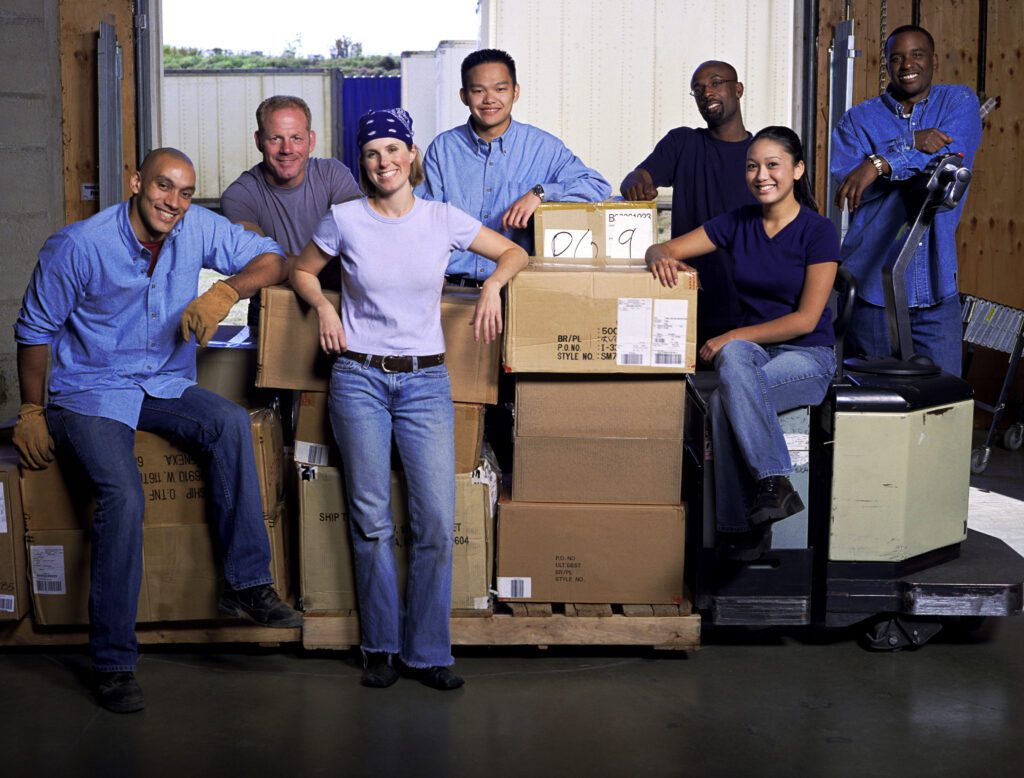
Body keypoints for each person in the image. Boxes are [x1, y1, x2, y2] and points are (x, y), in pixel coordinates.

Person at [13, 148, 301, 714]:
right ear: (137, 182)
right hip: (90, 391)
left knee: (226, 423)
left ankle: (246, 583)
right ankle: (114, 662)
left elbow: (276, 259)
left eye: (187, 192)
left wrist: (226, 291)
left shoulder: (195, 227)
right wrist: (30, 409)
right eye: (164, 187)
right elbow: (35, 329)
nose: (174, 201)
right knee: (123, 496)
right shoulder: (80, 245)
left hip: (161, 382)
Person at [290, 109, 527, 689]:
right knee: (371, 519)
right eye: (372, 153)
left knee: (435, 523)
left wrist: (495, 283)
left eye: (393, 150)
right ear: (363, 164)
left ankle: (427, 651)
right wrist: (324, 305)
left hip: (426, 383)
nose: (384, 161)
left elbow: (515, 254)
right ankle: (379, 644)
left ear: (412, 154)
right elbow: (302, 271)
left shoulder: (442, 218)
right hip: (359, 379)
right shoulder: (344, 219)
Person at [647, 127, 840, 561]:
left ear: (797, 169)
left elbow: (806, 319)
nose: (761, 175)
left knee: (722, 399)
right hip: (752, 356)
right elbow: (662, 247)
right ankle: (773, 491)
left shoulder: (818, 231)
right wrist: (659, 256)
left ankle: (741, 529)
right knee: (734, 359)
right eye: (753, 166)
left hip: (807, 356)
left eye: (773, 165)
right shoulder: (737, 222)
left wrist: (733, 334)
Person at [831, 24, 981, 376]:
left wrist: (880, 162)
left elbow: (947, 164)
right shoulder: (856, 121)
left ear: (933, 60)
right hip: (871, 292)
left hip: (936, 288)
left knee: (943, 406)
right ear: (886, 64)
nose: (906, 64)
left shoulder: (958, 102)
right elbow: (855, 188)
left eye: (916, 55)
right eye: (896, 58)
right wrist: (913, 142)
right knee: (874, 409)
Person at [418, 48, 609, 284]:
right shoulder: (444, 148)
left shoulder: (543, 148)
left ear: (515, 92)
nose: (489, 99)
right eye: (478, 91)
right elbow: (424, 217)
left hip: (517, 290)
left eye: (500, 89)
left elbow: (597, 185)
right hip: (454, 287)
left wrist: (541, 193)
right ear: (464, 96)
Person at [621, 60, 756, 347]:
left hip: (748, 307)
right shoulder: (683, 143)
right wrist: (635, 183)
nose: (707, 92)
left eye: (716, 83)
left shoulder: (760, 157)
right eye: (698, 89)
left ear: (738, 89)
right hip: (690, 293)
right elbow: (639, 175)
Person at [221, 95, 363, 321]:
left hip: (336, 306)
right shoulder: (239, 195)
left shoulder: (333, 174)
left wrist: (290, 266)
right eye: (276, 138)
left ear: (311, 140)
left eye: (296, 138)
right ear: (259, 141)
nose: (287, 149)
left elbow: (363, 243)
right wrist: (323, 269)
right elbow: (261, 263)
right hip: (274, 311)